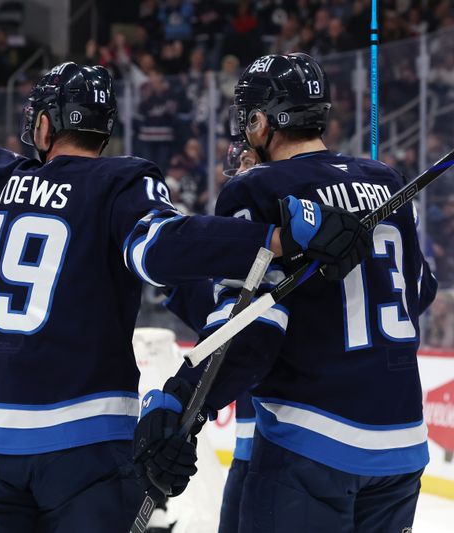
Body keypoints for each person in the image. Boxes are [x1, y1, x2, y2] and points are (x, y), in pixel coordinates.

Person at [0, 25, 368, 531]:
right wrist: (272, 237)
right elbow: (161, 252)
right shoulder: (120, 183)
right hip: (83, 444)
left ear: (43, 124)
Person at [135, 53, 438, 532]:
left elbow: (252, 326)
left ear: (259, 120)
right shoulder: (386, 182)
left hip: (311, 444)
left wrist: (183, 397)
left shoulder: (261, 188)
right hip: (402, 445)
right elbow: (419, 292)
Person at [161, 139, 261, 533]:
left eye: (252, 163)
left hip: (287, 448)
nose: (241, 175)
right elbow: (220, 324)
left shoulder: (291, 240)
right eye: (239, 168)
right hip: (254, 445)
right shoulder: (241, 242)